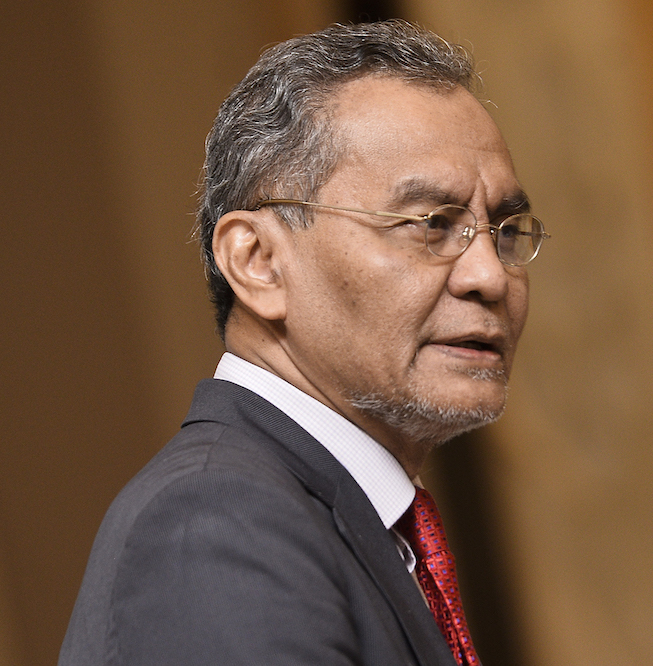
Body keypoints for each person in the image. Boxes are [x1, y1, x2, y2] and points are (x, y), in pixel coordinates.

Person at [59, 20, 547, 666]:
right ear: (258, 260)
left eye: (505, 229)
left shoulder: (336, 515)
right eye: (431, 224)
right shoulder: (214, 522)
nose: (490, 275)